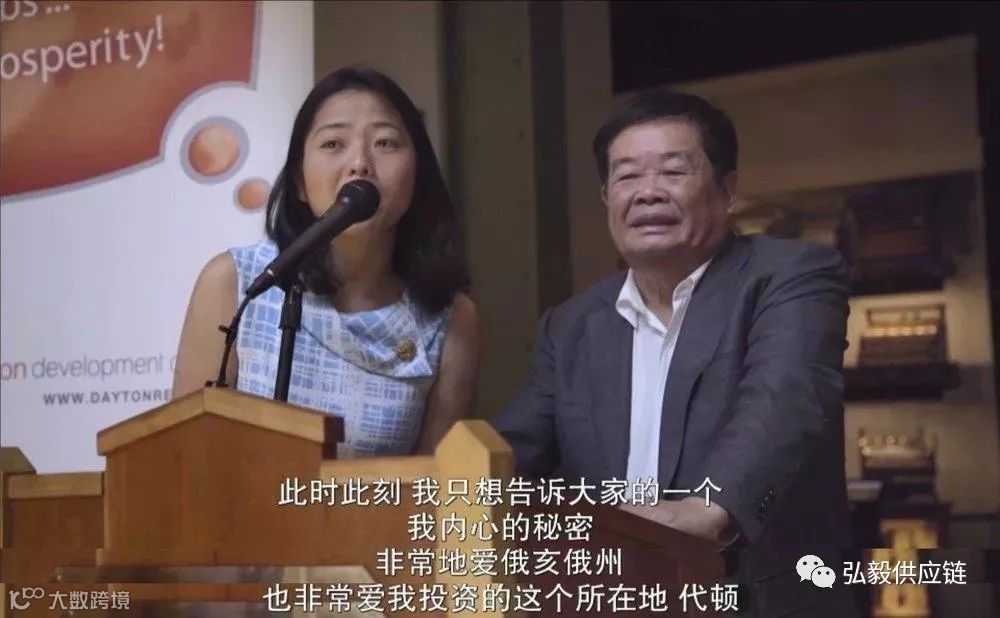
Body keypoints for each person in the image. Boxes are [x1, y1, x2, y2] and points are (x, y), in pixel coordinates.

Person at [491, 87, 859, 617]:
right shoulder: (570, 325)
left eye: (672, 171)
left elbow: (785, 399)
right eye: (627, 176)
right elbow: (514, 451)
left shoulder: (790, 276)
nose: (647, 193)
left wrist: (711, 507)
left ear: (727, 191)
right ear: (606, 198)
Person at [173, 67, 480, 458]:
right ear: (299, 180)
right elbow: (182, 460)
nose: (360, 163)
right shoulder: (237, 283)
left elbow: (430, 485)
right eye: (334, 144)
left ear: (417, 173)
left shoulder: (451, 320)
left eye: (385, 143)